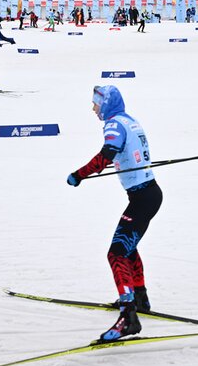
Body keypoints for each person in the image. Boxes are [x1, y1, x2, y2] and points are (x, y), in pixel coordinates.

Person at [66, 85, 162, 341]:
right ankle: (140, 298)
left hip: (142, 197)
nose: (93, 108)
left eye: (96, 103)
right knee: (127, 248)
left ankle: (128, 315)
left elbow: (106, 155)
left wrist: (79, 175)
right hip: (149, 194)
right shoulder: (129, 120)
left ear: (106, 103)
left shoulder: (113, 124)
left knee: (116, 253)